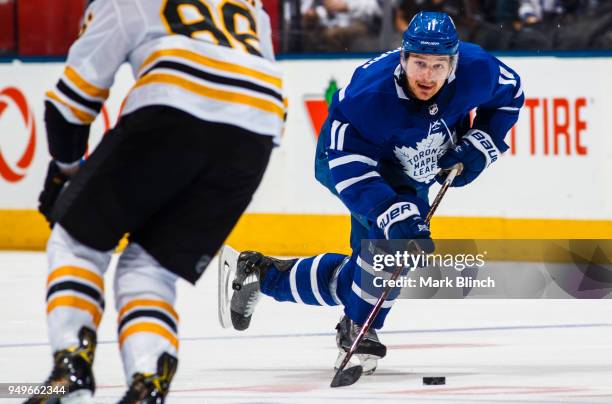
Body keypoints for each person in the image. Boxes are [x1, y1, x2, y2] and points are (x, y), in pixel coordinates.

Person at [223, 11, 524, 374]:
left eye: (437, 66)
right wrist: (389, 210)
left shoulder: (477, 69)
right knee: (395, 244)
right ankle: (357, 329)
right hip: (350, 165)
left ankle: (263, 275)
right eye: (419, 63)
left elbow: (511, 94)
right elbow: (349, 165)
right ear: (403, 58)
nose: (427, 76)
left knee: (366, 272)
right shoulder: (369, 95)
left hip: (410, 168)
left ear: (453, 64)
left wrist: (483, 140)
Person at [28, 0, 284, 402]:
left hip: (175, 104)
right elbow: (256, 76)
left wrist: (64, 171)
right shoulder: (250, 5)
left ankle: (71, 368)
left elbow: (70, 101)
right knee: (149, 267)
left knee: (77, 241)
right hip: (257, 131)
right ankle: (149, 382)